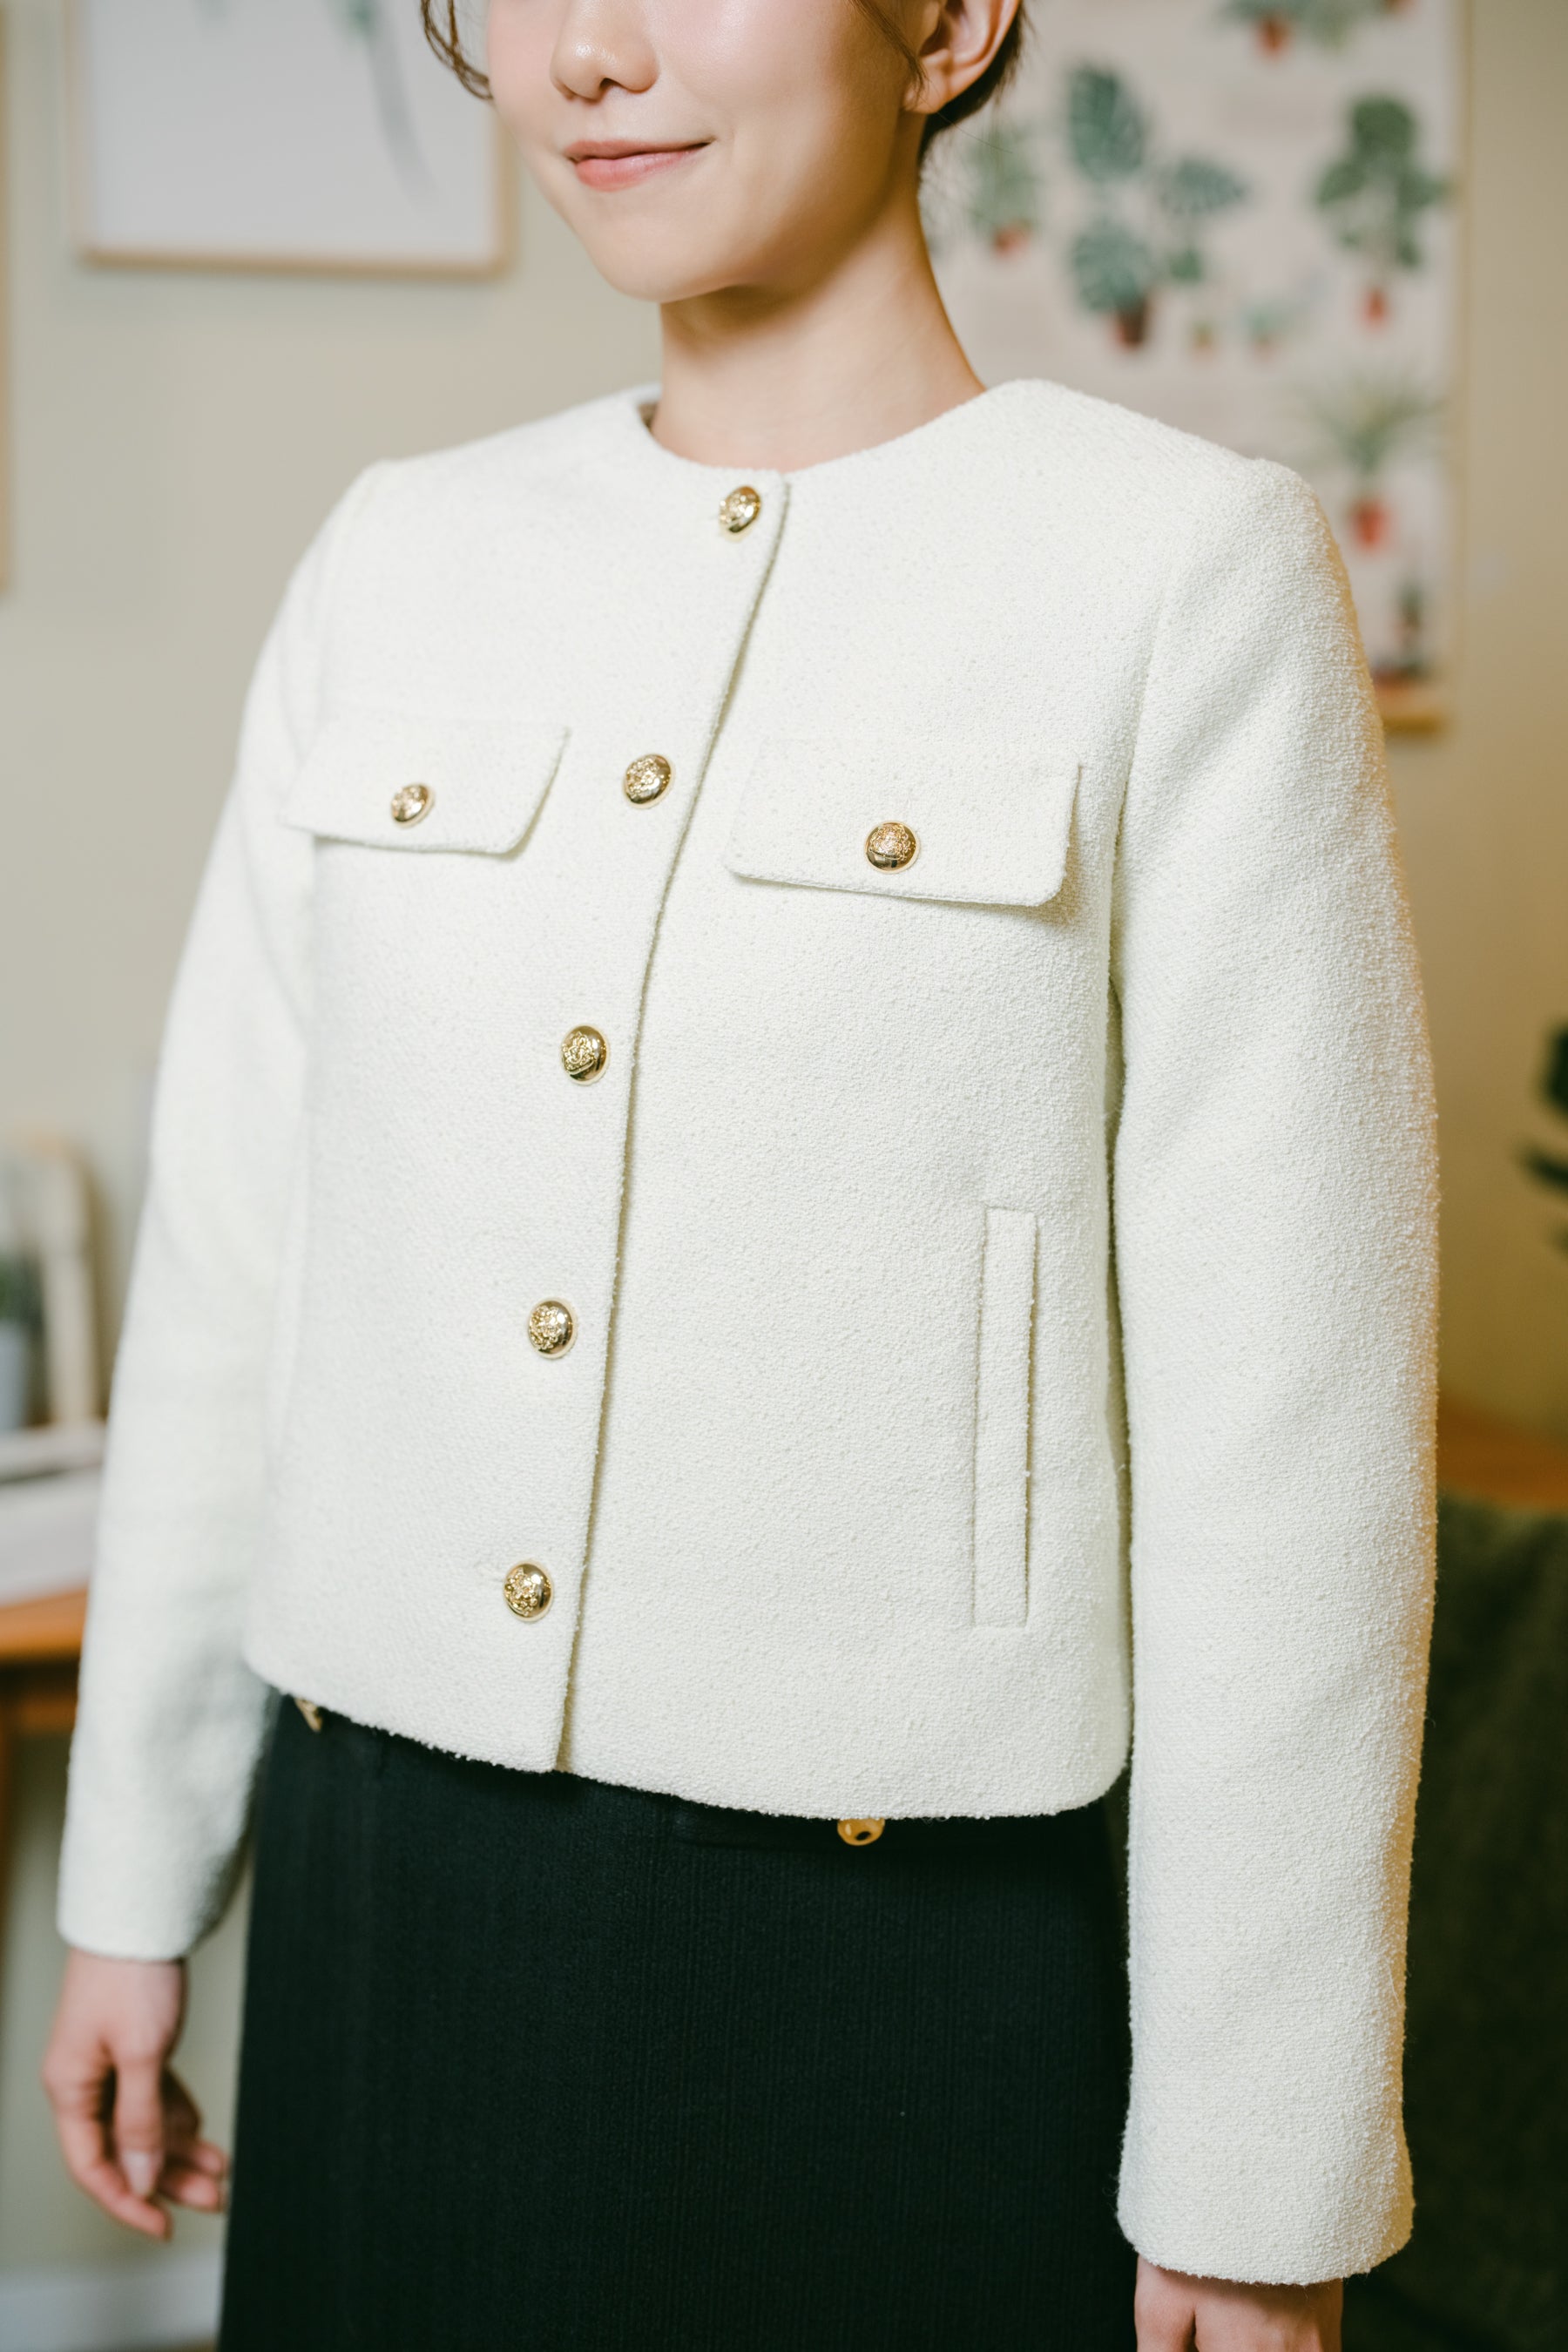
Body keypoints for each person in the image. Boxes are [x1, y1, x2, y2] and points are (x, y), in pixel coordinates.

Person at [42, 1, 1438, 2345]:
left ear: (952, 22)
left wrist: (1255, 2167)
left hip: (899, 1968)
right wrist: (133, 1882)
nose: (586, 53)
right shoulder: (400, 556)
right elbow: (231, 1279)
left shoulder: (1179, 573)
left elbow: (1288, 1450)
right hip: (388, 1906)